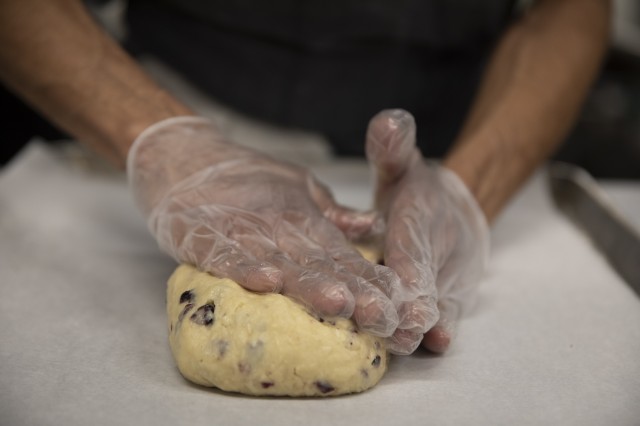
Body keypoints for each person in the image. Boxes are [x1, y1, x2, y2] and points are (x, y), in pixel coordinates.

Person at [0, 0, 610, 355]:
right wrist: (165, 146)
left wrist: (468, 189)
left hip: (441, 138)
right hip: (148, 104)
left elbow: (571, 10)